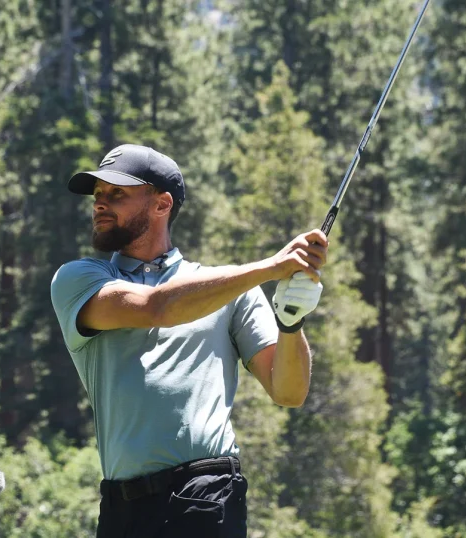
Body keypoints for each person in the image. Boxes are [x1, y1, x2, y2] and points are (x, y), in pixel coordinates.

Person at [50, 143, 329, 537]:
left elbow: (289, 392)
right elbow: (154, 307)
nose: (100, 204)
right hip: (121, 507)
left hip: (206, 491)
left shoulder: (232, 291)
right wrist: (270, 267)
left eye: (117, 193)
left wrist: (291, 324)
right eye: (98, 196)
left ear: (162, 205)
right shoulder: (79, 279)